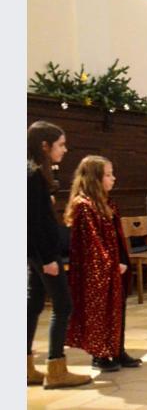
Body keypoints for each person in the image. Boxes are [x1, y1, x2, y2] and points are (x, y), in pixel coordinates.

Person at [27, 121, 92, 389]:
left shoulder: (31, 173)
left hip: (36, 253)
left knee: (33, 305)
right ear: (45, 146)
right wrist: (47, 259)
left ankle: (25, 368)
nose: (64, 149)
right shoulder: (32, 175)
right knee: (63, 305)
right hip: (43, 253)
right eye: (61, 145)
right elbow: (34, 223)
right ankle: (56, 369)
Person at [64, 155, 139, 372]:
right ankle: (100, 354)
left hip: (115, 264)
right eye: (108, 175)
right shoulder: (84, 206)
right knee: (99, 311)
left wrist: (122, 260)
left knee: (117, 309)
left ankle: (117, 349)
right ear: (94, 178)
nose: (113, 178)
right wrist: (111, 265)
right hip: (96, 270)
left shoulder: (107, 203)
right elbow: (92, 243)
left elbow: (116, 235)